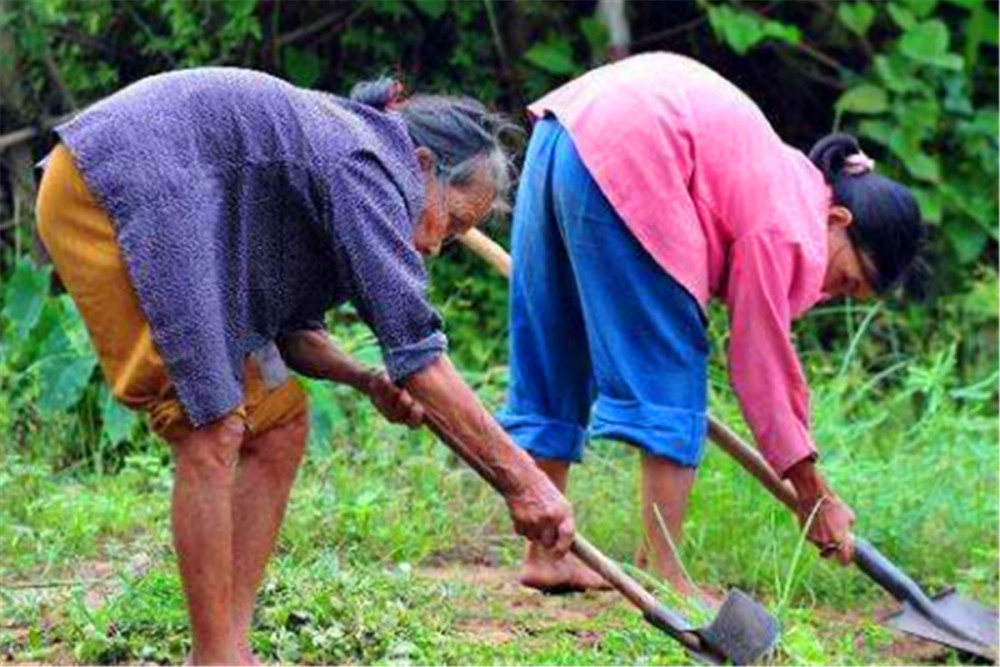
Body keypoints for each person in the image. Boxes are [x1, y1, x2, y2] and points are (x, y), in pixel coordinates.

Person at [35, 68, 574, 665]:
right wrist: (525, 482)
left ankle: (230, 647)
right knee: (210, 429)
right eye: (453, 222)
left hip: (165, 199)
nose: (435, 245)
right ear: (421, 165)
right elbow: (421, 358)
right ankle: (215, 659)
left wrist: (364, 379)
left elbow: (294, 334)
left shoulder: (353, 158)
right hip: (111, 187)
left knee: (281, 423)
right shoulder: (369, 167)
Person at [498, 53, 925, 599]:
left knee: (555, 343)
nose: (827, 294)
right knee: (673, 365)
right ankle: (665, 572)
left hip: (566, 129)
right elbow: (761, 365)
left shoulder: (780, 179)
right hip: (631, 148)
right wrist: (813, 492)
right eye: (845, 281)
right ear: (838, 220)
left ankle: (545, 554)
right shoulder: (792, 225)